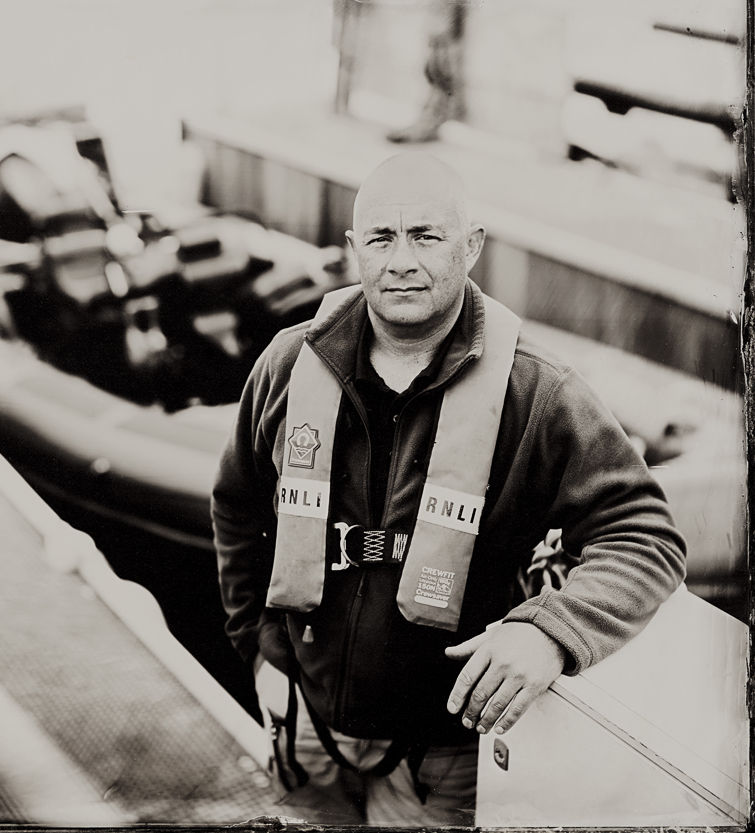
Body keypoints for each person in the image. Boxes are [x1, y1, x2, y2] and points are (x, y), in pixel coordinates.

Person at [211, 153, 686, 826]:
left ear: (472, 246)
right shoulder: (288, 363)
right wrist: (259, 649)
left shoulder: (538, 393)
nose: (401, 261)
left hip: (446, 753)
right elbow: (237, 506)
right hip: (303, 718)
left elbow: (644, 535)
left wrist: (552, 633)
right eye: (381, 237)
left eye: (426, 236)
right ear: (353, 248)